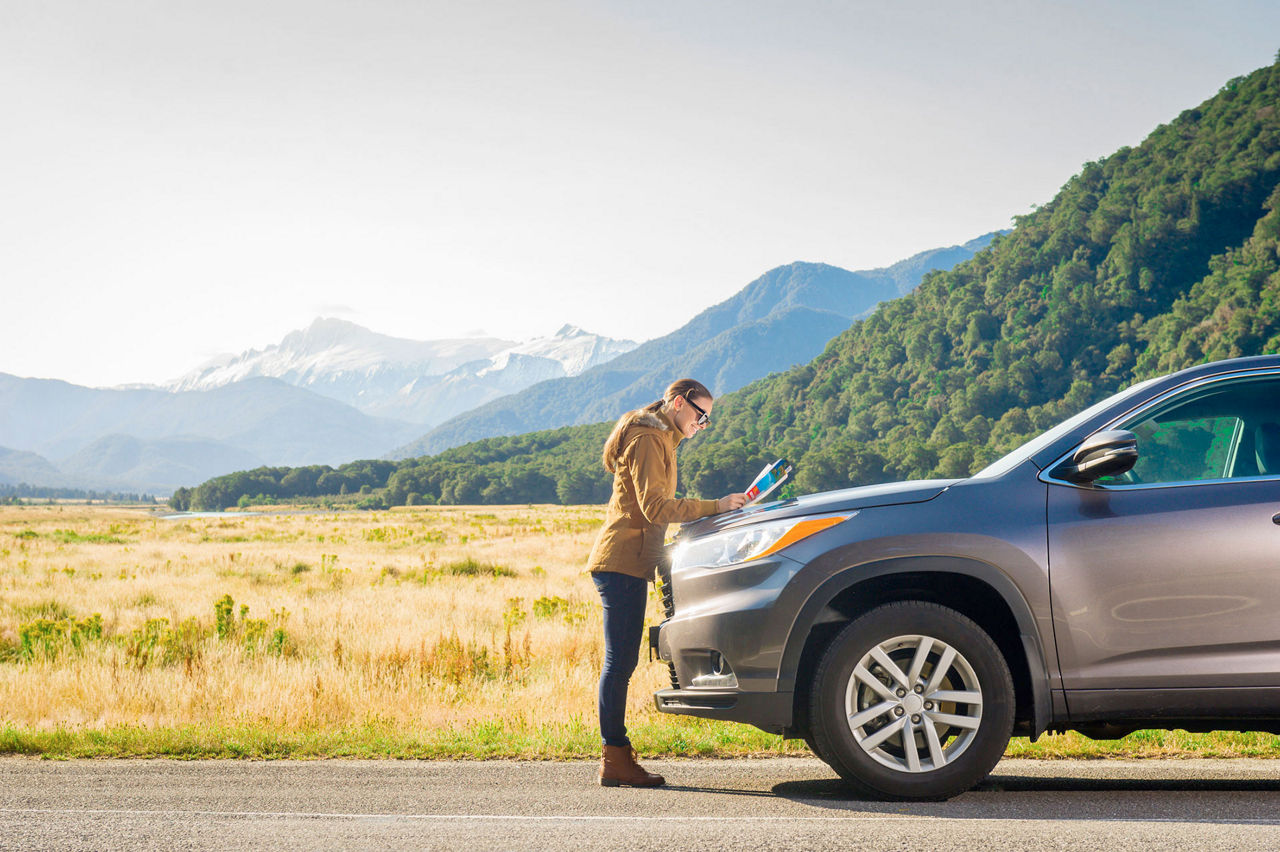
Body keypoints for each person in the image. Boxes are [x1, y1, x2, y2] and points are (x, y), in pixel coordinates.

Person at [586, 378, 747, 787]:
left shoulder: (662, 439)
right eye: (700, 415)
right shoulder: (648, 439)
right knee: (619, 662)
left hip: (631, 561)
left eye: (707, 419)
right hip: (620, 561)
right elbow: (654, 507)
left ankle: (615, 757)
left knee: (621, 661)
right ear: (678, 403)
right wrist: (714, 506)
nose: (702, 424)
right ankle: (614, 759)